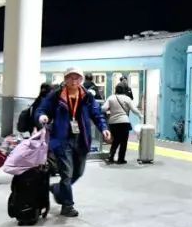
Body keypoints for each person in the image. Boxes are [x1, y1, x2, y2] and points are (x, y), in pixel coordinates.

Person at [35, 68, 111, 217]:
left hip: (81, 139)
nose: (74, 81)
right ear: (65, 79)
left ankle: (58, 189)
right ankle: (67, 206)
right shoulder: (56, 95)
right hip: (62, 139)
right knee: (67, 173)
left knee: (78, 172)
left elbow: (97, 114)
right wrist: (42, 116)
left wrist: (104, 128)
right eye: (70, 78)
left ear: (81, 80)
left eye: (77, 78)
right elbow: (41, 109)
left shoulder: (87, 97)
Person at [102, 83, 142, 164]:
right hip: (124, 122)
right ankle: (121, 159)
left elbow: (103, 108)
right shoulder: (127, 98)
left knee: (115, 140)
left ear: (116, 90)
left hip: (113, 122)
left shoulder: (111, 97)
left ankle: (110, 157)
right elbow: (134, 109)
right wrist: (140, 115)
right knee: (124, 141)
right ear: (124, 90)